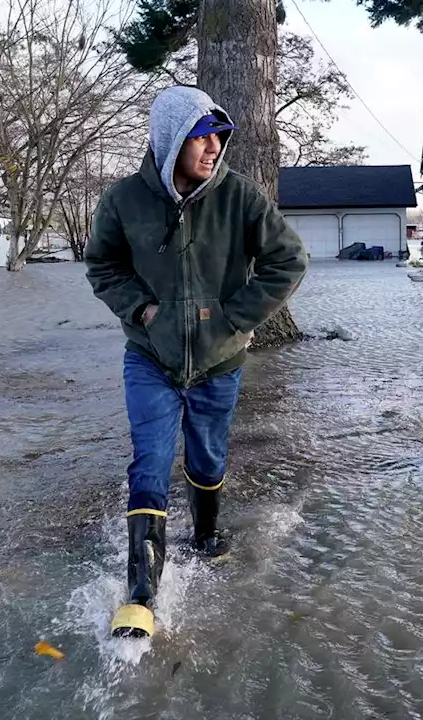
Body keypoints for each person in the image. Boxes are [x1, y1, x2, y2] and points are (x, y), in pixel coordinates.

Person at [84, 85, 308, 638]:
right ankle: (141, 593)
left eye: (219, 137)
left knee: (207, 460)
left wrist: (234, 318)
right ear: (169, 139)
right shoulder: (123, 201)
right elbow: (103, 266)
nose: (213, 147)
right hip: (149, 358)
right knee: (150, 460)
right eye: (200, 136)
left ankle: (207, 538)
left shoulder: (241, 198)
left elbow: (289, 260)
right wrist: (141, 311)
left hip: (220, 362)